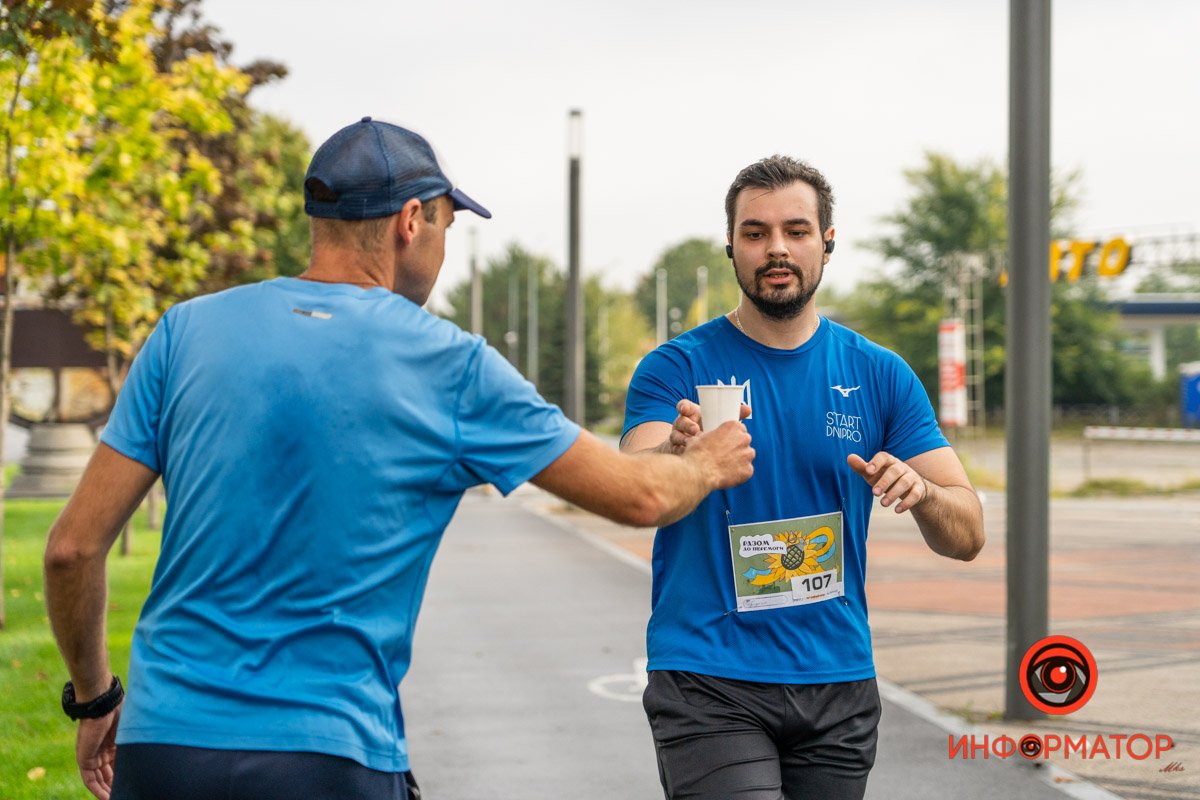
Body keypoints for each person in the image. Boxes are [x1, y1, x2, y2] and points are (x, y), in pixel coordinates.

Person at [44, 117, 755, 800]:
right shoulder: (450, 363)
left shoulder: (186, 332)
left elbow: (72, 550)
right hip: (330, 756)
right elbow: (635, 497)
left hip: (166, 748)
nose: (443, 248)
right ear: (411, 222)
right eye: (448, 225)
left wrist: (97, 697)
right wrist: (706, 465)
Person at [620, 155, 985, 800]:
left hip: (838, 681)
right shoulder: (675, 367)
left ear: (827, 243)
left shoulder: (879, 373)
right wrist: (681, 459)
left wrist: (923, 491)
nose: (776, 248)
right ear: (731, 247)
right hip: (710, 677)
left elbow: (967, 533)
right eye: (755, 233)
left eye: (796, 230)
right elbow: (633, 484)